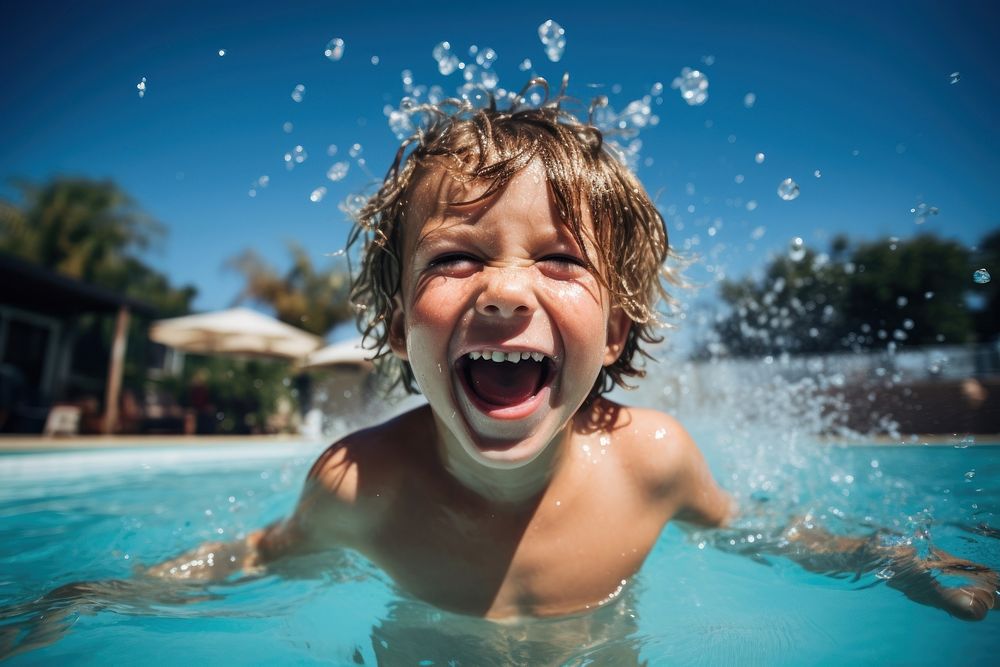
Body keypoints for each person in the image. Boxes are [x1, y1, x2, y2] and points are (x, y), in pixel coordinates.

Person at [143, 82, 995, 623]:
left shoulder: (652, 462)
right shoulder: (360, 483)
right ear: (402, 326)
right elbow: (257, 553)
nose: (506, 291)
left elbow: (766, 533)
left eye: (559, 260)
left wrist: (900, 561)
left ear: (617, 328)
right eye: (455, 257)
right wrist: (97, 599)